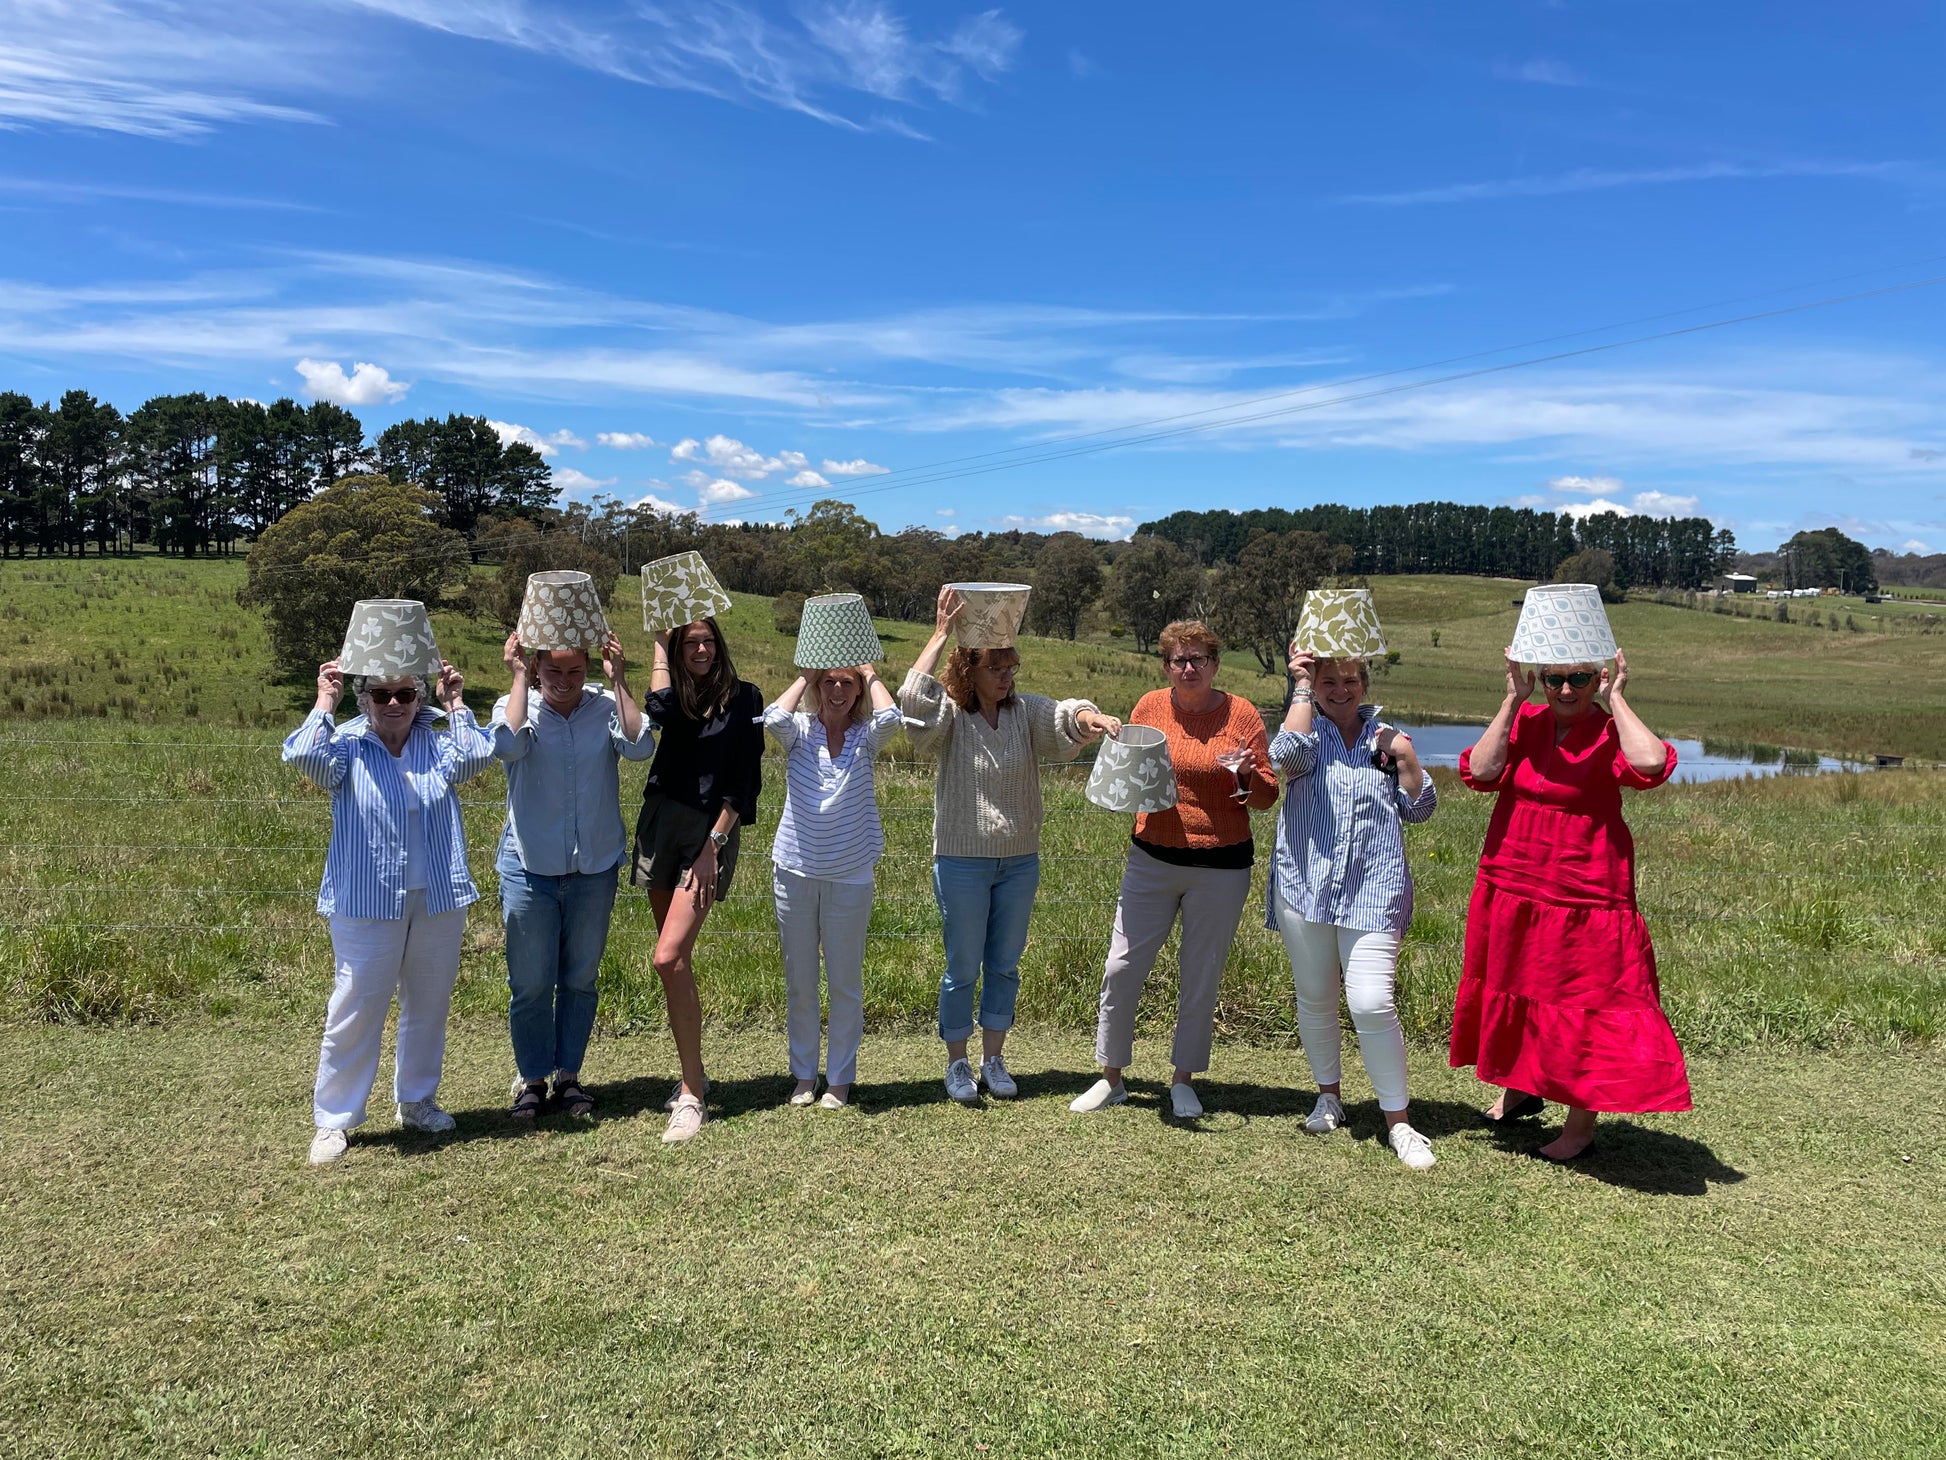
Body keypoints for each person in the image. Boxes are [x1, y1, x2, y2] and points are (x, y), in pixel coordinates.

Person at [1451, 647, 1689, 1161]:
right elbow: (1482, 773)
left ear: (1597, 676)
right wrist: (1512, 701)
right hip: (1514, 880)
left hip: (1587, 893)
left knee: (1589, 999)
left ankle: (1579, 1128)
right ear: (1538, 679)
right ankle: (1519, 1090)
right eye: (1554, 679)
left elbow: (1652, 762)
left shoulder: (1609, 731)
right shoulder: (1528, 721)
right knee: (1516, 986)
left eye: (1579, 678)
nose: (1565, 690)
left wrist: (1616, 698)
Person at [901, 586, 1118, 1103]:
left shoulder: (1023, 713)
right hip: (961, 862)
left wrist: (1095, 720)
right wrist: (938, 635)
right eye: (996, 668)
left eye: (1011, 668)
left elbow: (1066, 715)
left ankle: (993, 1059)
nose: (1006, 677)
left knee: (1004, 962)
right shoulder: (950, 717)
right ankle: (957, 1064)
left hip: (1019, 860)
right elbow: (912, 704)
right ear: (967, 670)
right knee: (961, 965)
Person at [284, 655, 493, 1165]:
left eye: (405, 694)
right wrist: (325, 700)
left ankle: (417, 1101)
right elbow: (302, 757)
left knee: (428, 1005)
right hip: (366, 899)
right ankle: (333, 1121)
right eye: (381, 695)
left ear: (419, 697)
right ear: (365, 699)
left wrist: (456, 701)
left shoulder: (437, 740)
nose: (394, 704)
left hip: (438, 897)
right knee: (355, 1007)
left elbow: (474, 759)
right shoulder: (346, 746)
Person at [1072, 620, 1276, 1118]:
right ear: (1166, 666)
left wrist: (1247, 775)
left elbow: (1268, 797)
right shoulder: (1150, 707)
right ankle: (1111, 1076)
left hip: (1222, 865)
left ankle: (1183, 1078)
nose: (1189, 668)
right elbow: (1127, 777)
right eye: (1179, 660)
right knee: (1121, 968)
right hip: (1152, 858)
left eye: (1199, 659)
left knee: (1199, 974)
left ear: (1215, 664)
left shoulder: (1242, 714)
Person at [1266, 649, 1439, 1170]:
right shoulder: (1306, 733)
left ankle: (1399, 1122)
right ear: (1312, 686)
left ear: (1364, 683)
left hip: (1374, 887)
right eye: (1326, 681)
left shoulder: (1389, 740)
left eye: (1349, 680)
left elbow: (1420, 810)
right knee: (1315, 997)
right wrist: (1298, 685)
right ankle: (1328, 1096)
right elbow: (1284, 759)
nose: (1339, 690)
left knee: (1369, 1003)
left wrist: (1408, 763)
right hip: (1304, 885)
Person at [490, 629, 655, 1122]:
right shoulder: (513, 705)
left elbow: (639, 746)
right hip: (529, 865)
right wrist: (519, 677)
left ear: (589, 668)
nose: (564, 681)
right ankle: (533, 1080)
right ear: (537, 666)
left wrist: (620, 678)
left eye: (575, 671)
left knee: (580, 980)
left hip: (594, 867)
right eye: (552, 670)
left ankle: (569, 1077)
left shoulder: (605, 708)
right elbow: (509, 746)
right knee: (531, 983)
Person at [633, 616, 764, 1143]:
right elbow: (658, 709)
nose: (702, 649)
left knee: (667, 955)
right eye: (691, 643)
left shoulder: (745, 697)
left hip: (708, 836)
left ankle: (691, 1094)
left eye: (708, 641)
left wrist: (715, 844)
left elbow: (746, 780)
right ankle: (695, 1074)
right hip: (662, 824)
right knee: (675, 964)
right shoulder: (678, 697)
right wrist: (660, 644)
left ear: (721, 644)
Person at [764, 663, 902, 1109]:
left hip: (850, 875)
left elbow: (892, 720)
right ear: (818, 687)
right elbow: (773, 719)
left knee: (845, 983)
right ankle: (804, 1076)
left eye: (848, 683)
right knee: (800, 982)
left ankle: (840, 1078)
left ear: (859, 689)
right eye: (830, 682)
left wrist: (870, 670)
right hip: (795, 871)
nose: (838, 691)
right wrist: (804, 673)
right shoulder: (800, 731)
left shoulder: (866, 738)